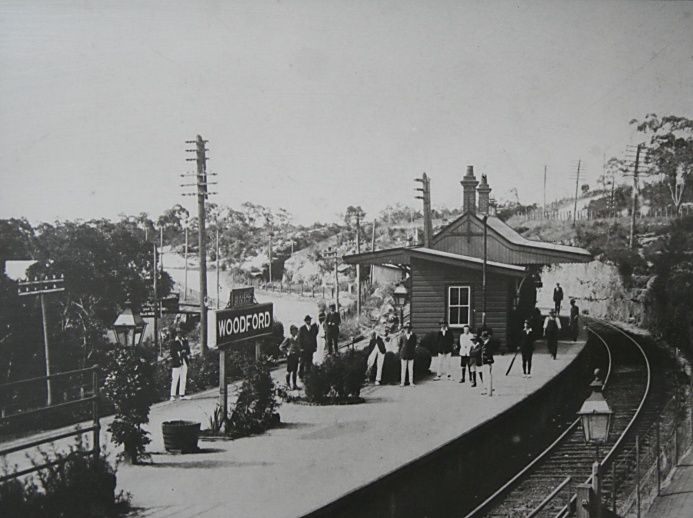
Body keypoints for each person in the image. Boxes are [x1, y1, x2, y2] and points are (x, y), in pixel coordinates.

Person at [170, 328, 190, 400]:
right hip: (176, 362)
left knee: (183, 378)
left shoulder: (184, 341)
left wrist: (185, 351)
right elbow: (172, 353)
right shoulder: (173, 342)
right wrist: (179, 353)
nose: (180, 334)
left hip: (184, 361)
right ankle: (173, 395)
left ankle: (182, 394)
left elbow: (188, 350)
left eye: (181, 333)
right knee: (175, 378)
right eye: (178, 333)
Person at [279, 325, 301, 390]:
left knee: (295, 371)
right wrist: (286, 352)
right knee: (289, 370)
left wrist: (299, 353)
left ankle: (294, 385)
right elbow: (281, 347)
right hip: (290, 357)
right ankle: (288, 384)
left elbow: (298, 347)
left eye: (296, 331)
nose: (295, 332)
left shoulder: (297, 339)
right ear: (291, 331)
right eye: (294, 331)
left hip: (296, 356)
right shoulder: (288, 338)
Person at [297, 315, 319, 379]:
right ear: (305, 321)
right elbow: (299, 339)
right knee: (302, 362)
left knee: (309, 361)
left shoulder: (312, 328)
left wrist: (315, 346)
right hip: (304, 349)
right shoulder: (302, 328)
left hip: (310, 348)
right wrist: (301, 348)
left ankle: (308, 375)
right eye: (307, 320)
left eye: (309, 320)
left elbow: (314, 338)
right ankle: (301, 375)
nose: (308, 321)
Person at [398, 322, 417, 387]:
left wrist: (413, 351)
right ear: (405, 329)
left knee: (410, 369)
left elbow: (414, 344)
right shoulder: (402, 336)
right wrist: (400, 353)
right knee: (403, 369)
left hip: (411, 353)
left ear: (411, 329)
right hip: (404, 353)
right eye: (406, 328)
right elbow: (400, 345)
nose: (407, 330)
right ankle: (402, 382)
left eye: (409, 328)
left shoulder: (413, 336)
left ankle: (411, 382)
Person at [480, 331, 496, 396]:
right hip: (484, 361)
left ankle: (489, 389)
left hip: (487, 361)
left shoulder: (489, 343)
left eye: (483, 337)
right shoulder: (485, 343)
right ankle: (486, 388)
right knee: (485, 375)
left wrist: (488, 360)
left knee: (488, 375)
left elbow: (490, 352)